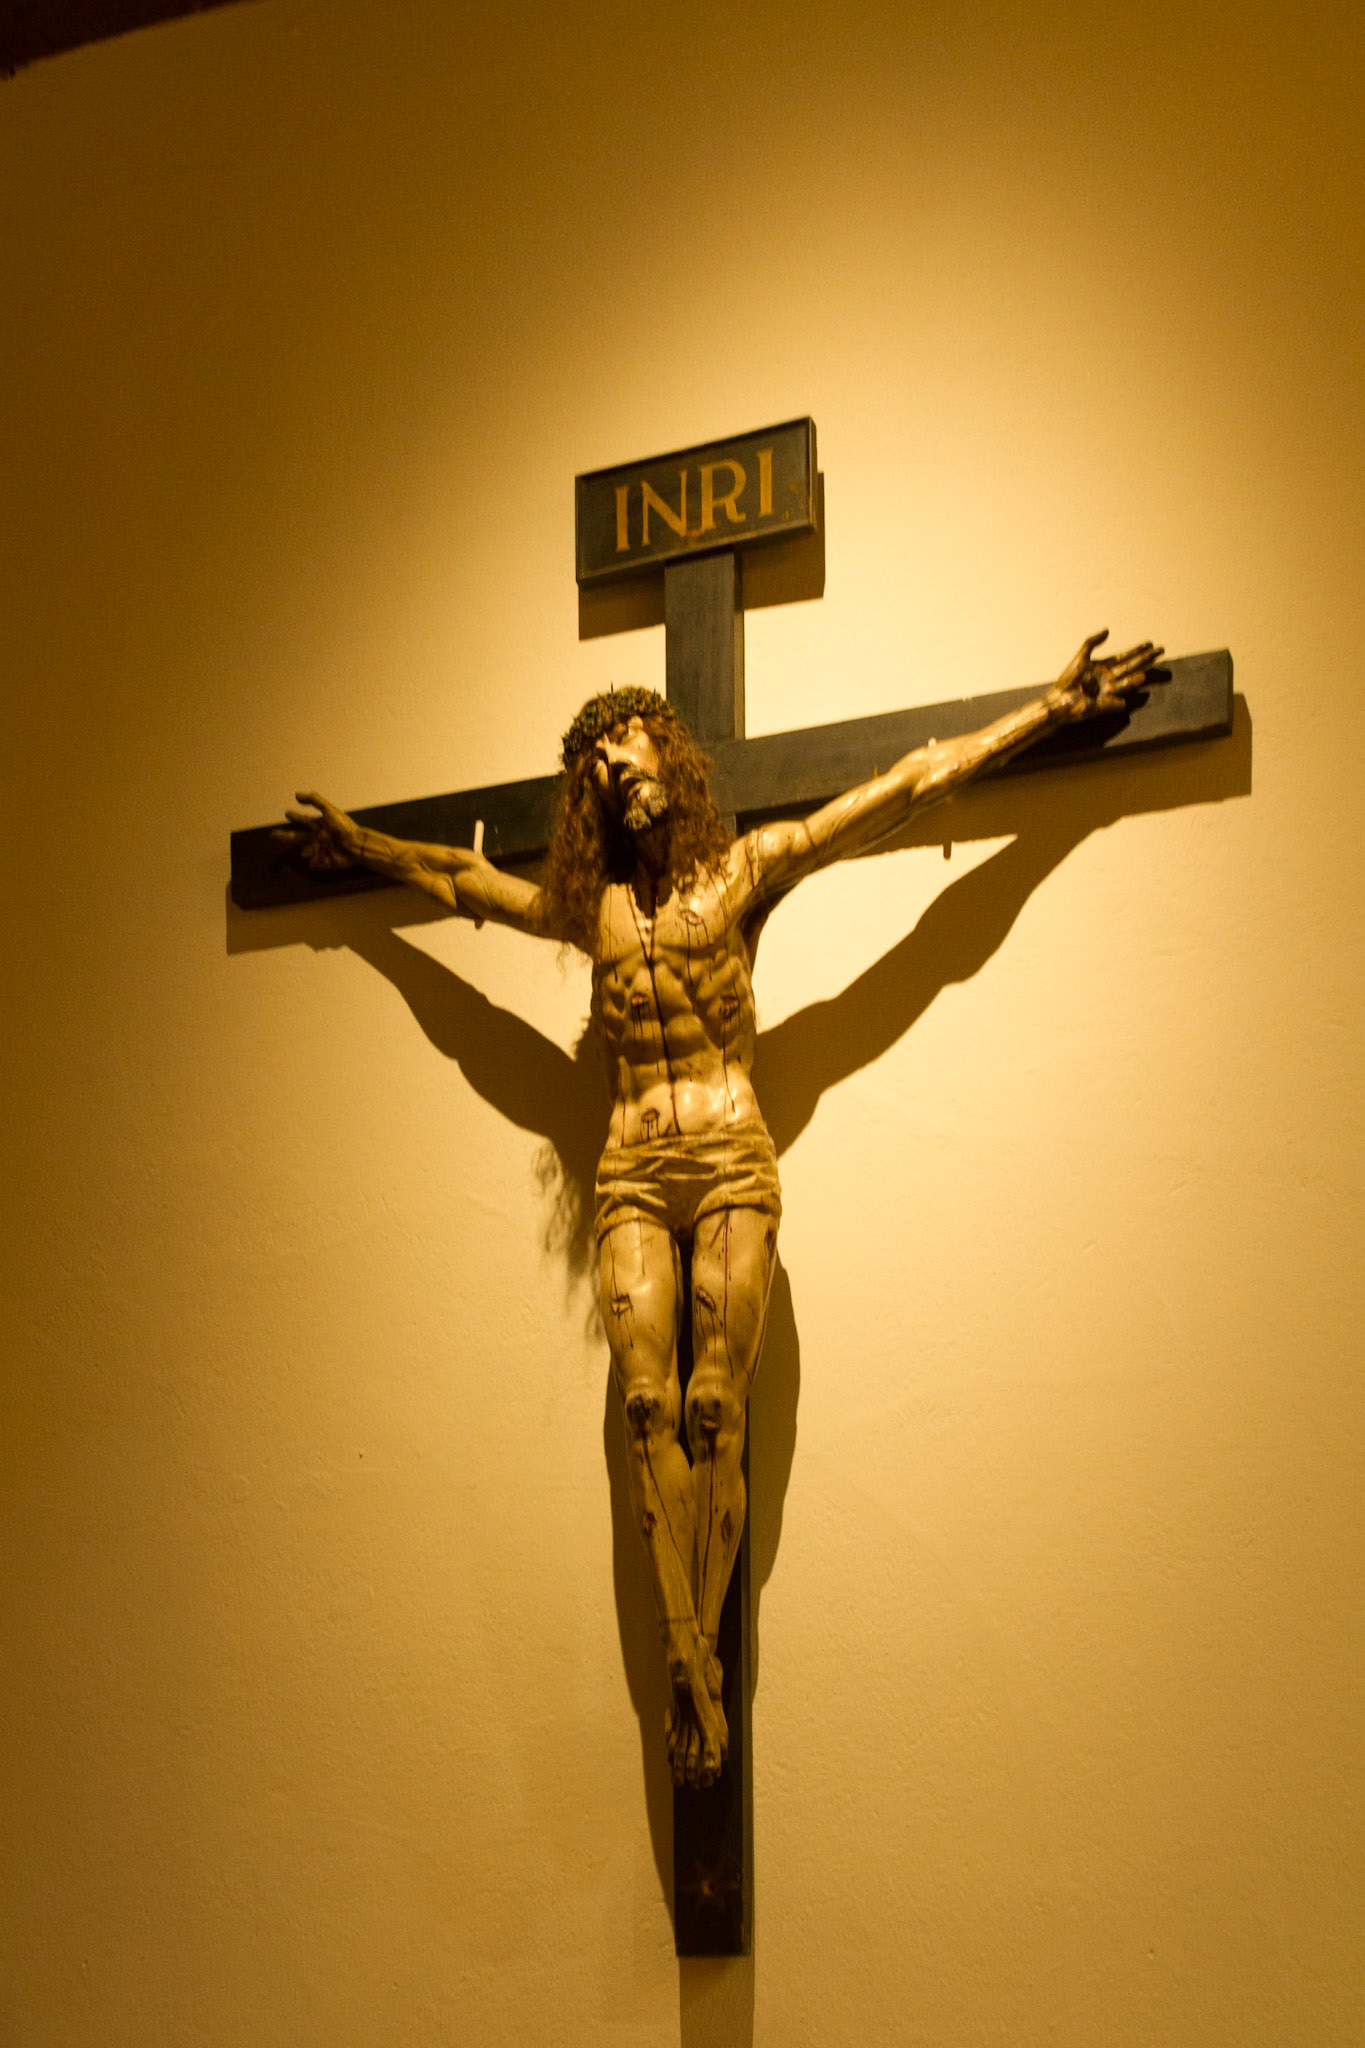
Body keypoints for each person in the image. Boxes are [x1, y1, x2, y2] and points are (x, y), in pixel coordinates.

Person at [280, 628, 1162, 1789]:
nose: (612, 772)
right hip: (634, 1170)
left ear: (672, 753)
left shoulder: (744, 874)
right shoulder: (585, 913)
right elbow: (458, 878)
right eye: (593, 766)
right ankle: (690, 1664)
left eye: (628, 746)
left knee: (710, 1403)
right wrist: (357, 846)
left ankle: (700, 1667)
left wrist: (1047, 715)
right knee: (645, 1401)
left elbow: (904, 788)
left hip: (733, 1158)